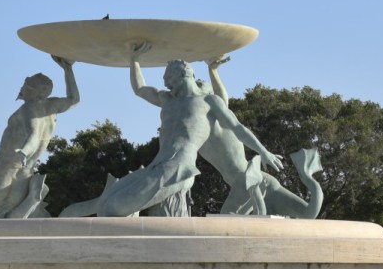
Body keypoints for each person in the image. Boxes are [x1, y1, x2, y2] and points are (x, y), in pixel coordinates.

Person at [61, 56, 281, 218]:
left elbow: (237, 127)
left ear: (185, 73)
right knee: (106, 201)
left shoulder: (209, 101)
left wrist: (263, 151)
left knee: (112, 209)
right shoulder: (168, 100)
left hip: (180, 166)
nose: (166, 84)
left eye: (169, 79)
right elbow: (140, 89)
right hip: (157, 164)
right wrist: (134, 59)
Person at [198, 57, 324, 218]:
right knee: (304, 216)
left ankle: (307, 174)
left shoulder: (220, 118)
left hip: (249, 179)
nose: (196, 84)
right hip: (253, 182)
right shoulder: (196, 125)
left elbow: (223, 100)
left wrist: (212, 70)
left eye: (200, 84)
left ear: (210, 95)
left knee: (225, 222)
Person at [0, 56, 78, 219]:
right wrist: (68, 70)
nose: (23, 88)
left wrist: (23, 152)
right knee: (7, 215)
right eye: (25, 84)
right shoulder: (52, 106)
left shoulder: (29, 108)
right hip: (24, 175)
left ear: (40, 92)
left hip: (5, 170)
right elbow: (74, 99)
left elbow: (34, 134)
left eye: (28, 86)